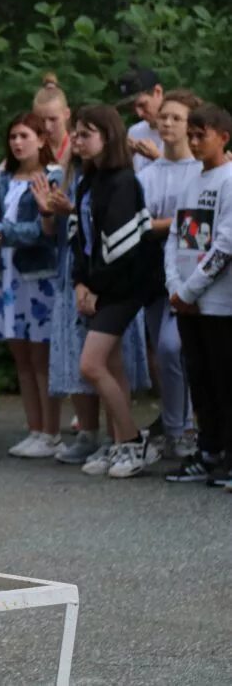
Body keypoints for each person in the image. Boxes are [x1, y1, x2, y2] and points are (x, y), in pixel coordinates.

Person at [70, 105, 163, 479]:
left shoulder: (124, 181)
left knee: (90, 365)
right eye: (75, 133)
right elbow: (79, 239)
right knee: (111, 365)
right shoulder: (87, 180)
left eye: (85, 133)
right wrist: (79, 281)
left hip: (124, 287)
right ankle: (119, 443)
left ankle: (132, 442)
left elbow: (124, 249)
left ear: (107, 136)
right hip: (99, 285)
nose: (77, 140)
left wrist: (94, 287)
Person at [0, 113, 62, 458]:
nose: (17, 142)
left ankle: (52, 431)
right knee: (21, 357)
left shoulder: (53, 178)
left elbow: (43, 234)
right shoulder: (4, 180)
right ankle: (35, 429)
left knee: (41, 357)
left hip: (37, 278)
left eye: (25, 135)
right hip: (5, 276)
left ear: (42, 139)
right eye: (13, 136)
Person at [164, 104, 232, 486]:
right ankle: (208, 452)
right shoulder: (190, 180)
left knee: (225, 381)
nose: (192, 141)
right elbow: (175, 236)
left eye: (199, 135)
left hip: (219, 303)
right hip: (186, 302)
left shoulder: (229, 180)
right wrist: (175, 287)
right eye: (190, 134)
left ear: (223, 136)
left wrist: (190, 289)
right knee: (200, 379)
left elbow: (225, 244)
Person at [138, 89, 203, 457]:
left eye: (176, 118)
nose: (167, 123)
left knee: (173, 345)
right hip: (154, 274)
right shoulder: (149, 174)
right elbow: (141, 224)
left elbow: (196, 227)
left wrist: (168, 224)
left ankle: (186, 427)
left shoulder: (202, 170)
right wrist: (176, 222)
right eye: (163, 116)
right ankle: (175, 428)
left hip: (192, 275)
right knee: (163, 354)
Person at [116, 66, 164, 172]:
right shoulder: (135, 131)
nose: (139, 114)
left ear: (158, 92)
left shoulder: (183, 130)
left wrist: (157, 157)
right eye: (132, 108)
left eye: (142, 105)